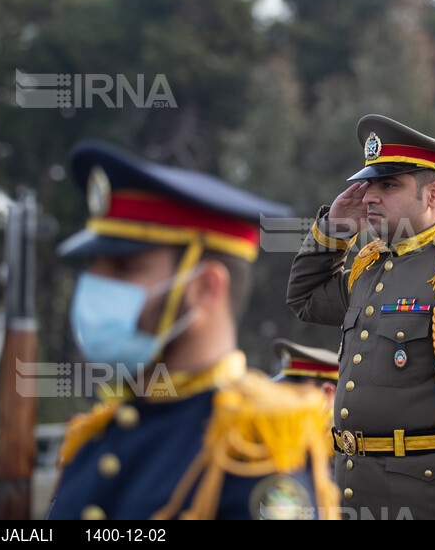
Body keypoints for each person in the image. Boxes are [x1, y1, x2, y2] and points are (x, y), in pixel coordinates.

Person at [46, 140, 338, 520]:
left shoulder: (253, 451)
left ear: (205, 288)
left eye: (124, 269)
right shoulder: (95, 442)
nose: (96, 286)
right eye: (95, 268)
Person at [286, 114, 435, 520]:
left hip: (426, 503)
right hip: (350, 495)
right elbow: (305, 298)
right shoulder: (369, 268)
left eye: (388, 185)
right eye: (368, 185)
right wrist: (335, 227)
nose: (367, 197)